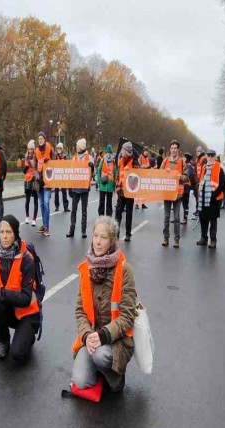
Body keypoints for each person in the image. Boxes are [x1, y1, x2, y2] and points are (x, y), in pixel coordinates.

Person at [71, 216, 137, 393]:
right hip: (92, 337)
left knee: (101, 356)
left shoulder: (124, 270)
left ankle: (116, 377)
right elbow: (80, 310)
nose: (98, 242)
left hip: (116, 338)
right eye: (95, 236)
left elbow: (128, 316)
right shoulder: (86, 268)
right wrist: (87, 336)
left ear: (112, 241)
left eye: (104, 237)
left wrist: (103, 335)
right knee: (81, 381)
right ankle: (101, 370)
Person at [0, 215, 39, 361]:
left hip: (28, 313)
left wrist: (1, 295)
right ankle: (3, 341)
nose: (4, 236)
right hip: (10, 309)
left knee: (17, 355)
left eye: (8, 232)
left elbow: (25, 299)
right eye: (2, 232)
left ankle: (28, 336)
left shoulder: (26, 260)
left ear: (16, 233)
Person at [196, 149, 225, 248]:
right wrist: (199, 193)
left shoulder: (219, 168)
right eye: (208, 155)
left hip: (214, 199)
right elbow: (201, 181)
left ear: (215, 156)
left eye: (212, 155)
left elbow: (222, 184)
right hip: (203, 198)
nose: (210, 157)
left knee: (213, 220)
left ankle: (213, 240)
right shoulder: (205, 167)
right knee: (203, 219)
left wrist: (214, 195)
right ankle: (203, 238)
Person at [161, 140, 187, 248]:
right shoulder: (165, 161)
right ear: (170, 149)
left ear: (178, 150)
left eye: (176, 148)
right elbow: (159, 174)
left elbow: (186, 176)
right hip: (167, 193)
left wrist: (181, 177)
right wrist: (164, 173)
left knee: (176, 218)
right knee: (166, 217)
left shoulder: (182, 162)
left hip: (178, 194)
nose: (174, 150)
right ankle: (166, 238)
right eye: (172, 148)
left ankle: (176, 240)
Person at [67, 138, 94, 238]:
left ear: (81, 147)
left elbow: (92, 174)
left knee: (84, 211)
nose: (76, 147)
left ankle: (83, 230)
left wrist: (92, 167)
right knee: (73, 210)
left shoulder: (89, 158)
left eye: (77, 146)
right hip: (75, 188)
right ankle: (71, 229)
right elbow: (71, 172)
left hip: (84, 188)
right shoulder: (74, 158)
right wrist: (70, 187)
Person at [114, 142, 137, 241]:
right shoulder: (120, 161)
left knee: (129, 213)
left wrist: (131, 171)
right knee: (118, 212)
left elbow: (138, 176)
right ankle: (116, 232)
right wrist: (117, 185)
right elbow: (118, 175)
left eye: (123, 150)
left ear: (127, 152)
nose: (121, 151)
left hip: (130, 191)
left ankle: (128, 234)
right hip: (121, 191)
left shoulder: (134, 162)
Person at [35, 132, 53, 236]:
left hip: (47, 180)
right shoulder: (37, 150)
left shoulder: (50, 149)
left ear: (45, 139)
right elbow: (34, 166)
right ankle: (44, 224)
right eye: (39, 139)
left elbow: (55, 163)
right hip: (39, 181)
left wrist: (49, 161)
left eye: (41, 138)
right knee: (41, 204)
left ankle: (47, 227)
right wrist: (37, 176)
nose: (40, 140)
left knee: (46, 203)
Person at [23, 140, 39, 226]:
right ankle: (27, 216)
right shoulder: (26, 157)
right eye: (29, 149)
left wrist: (33, 164)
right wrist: (26, 165)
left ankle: (34, 219)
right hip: (27, 180)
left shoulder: (36, 157)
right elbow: (24, 171)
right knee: (27, 200)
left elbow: (38, 169)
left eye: (31, 149)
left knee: (35, 200)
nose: (30, 151)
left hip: (35, 180)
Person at [96, 150, 117, 217]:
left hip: (110, 185)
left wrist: (115, 184)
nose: (109, 155)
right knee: (101, 201)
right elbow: (99, 170)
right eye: (108, 153)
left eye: (110, 153)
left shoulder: (113, 162)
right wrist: (98, 182)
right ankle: (101, 215)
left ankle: (109, 215)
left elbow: (115, 173)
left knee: (109, 201)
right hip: (103, 184)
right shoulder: (103, 160)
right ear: (106, 153)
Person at [53, 142, 70, 212]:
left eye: (60, 148)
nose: (59, 149)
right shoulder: (55, 156)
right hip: (57, 176)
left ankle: (65, 207)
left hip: (63, 176)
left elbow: (68, 164)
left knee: (64, 192)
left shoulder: (65, 156)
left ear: (62, 149)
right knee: (56, 192)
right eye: (58, 148)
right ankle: (57, 206)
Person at [182, 153, 195, 223]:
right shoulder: (185, 166)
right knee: (178, 204)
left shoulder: (190, 167)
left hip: (186, 188)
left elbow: (188, 177)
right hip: (182, 188)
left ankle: (185, 218)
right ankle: (178, 218)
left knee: (185, 204)